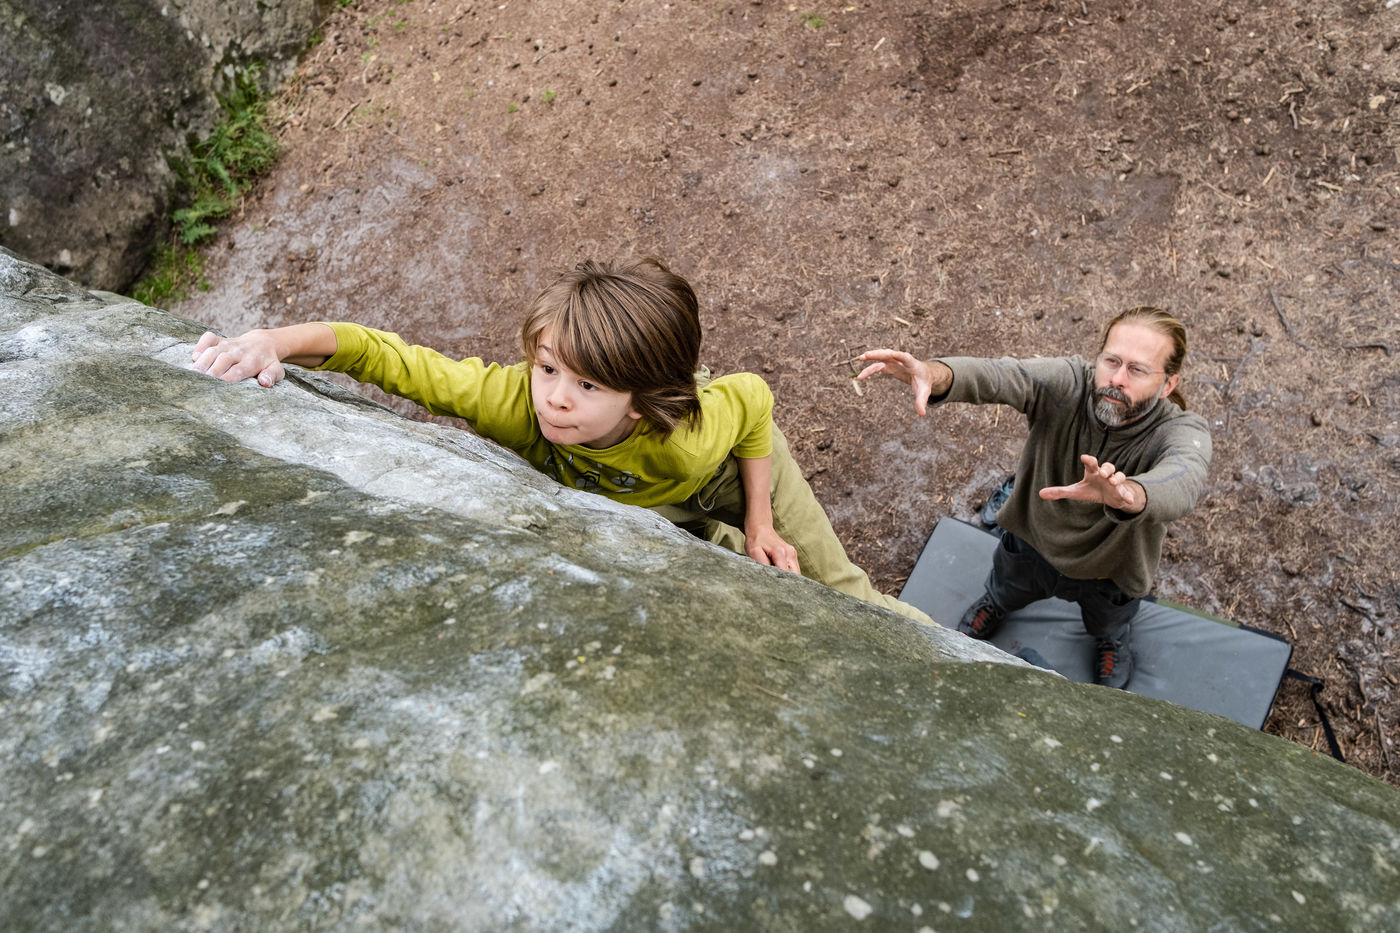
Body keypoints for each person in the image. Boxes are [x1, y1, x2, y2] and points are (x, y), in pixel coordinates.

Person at [191, 256, 934, 626]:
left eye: (588, 386)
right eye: (548, 368)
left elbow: (754, 402)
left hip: (726, 471)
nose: (554, 398)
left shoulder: (685, 433)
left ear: (640, 401)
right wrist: (271, 342)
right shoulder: (516, 402)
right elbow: (388, 357)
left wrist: (763, 520)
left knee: (839, 591)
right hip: (657, 506)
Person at [856, 307, 1212, 688]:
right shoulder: (1069, 383)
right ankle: (996, 604)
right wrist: (935, 372)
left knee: (1108, 621)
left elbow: (1185, 478)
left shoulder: (1180, 430)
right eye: (1111, 361)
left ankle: (1110, 639)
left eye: (1137, 370)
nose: (1117, 379)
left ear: (1168, 384)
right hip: (1031, 543)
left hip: (1110, 570)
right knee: (1005, 589)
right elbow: (1000, 376)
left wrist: (1129, 494)